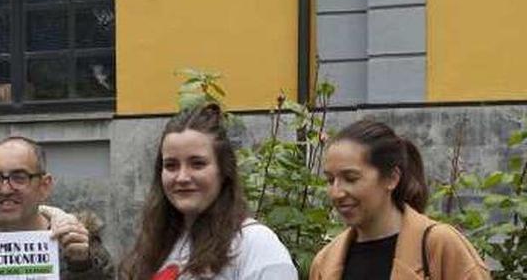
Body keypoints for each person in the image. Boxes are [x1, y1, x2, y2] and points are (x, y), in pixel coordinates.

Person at [120, 103, 298, 280]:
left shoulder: (256, 246)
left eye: (197, 164)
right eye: (171, 165)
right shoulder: (155, 249)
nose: (182, 177)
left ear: (223, 170)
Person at [310, 119, 490, 280]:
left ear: (391, 178)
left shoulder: (440, 247)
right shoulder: (325, 263)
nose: (337, 192)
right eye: (330, 180)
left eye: (351, 178)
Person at [0, 136, 114, 280]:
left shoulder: (78, 247)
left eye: (19, 178)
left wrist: (81, 267)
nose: (5, 190)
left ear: (44, 186)